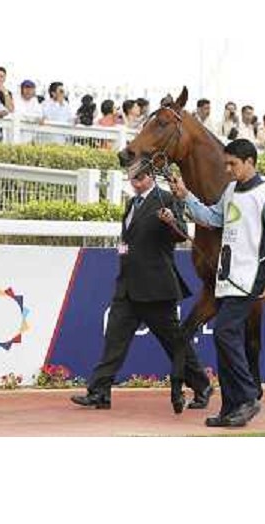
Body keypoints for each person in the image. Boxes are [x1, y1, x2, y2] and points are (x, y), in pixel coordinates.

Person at [71, 158, 213, 414]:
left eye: (138, 178)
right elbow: (127, 238)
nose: (134, 183)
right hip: (127, 286)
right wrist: (122, 252)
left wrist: (171, 221)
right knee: (114, 340)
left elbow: (181, 233)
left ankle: (202, 384)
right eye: (131, 178)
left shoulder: (167, 199)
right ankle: (99, 392)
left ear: (149, 177)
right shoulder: (131, 203)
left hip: (156, 288)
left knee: (173, 342)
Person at [168, 139, 265, 428]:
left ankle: (248, 397)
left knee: (224, 334)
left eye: (233, 164)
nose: (228, 169)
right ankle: (230, 408)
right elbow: (212, 219)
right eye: (226, 163)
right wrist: (186, 196)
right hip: (228, 277)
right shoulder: (232, 190)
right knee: (225, 342)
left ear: (250, 162)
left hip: (251, 278)